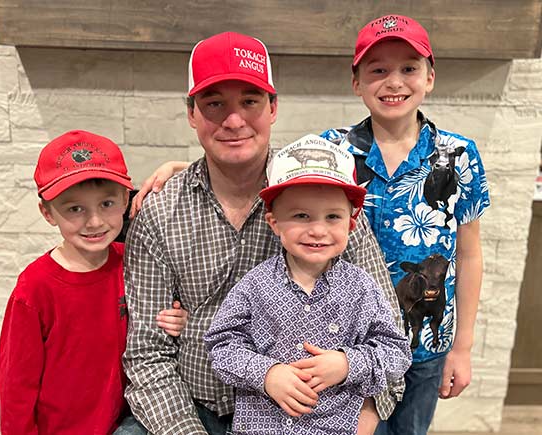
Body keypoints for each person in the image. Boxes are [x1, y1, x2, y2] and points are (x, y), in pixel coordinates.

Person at [121, 31, 404, 435]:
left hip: (313, 417)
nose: (233, 120)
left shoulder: (322, 202)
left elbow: (388, 329)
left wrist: (363, 417)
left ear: (273, 107)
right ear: (192, 113)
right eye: (214, 103)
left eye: (249, 101)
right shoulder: (160, 213)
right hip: (193, 405)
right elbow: (148, 355)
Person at [320, 14, 490, 435]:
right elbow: (265, 176)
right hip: (350, 345)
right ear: (357, 82)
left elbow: (469, 254)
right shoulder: (331, 152)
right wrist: (178, 166)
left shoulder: (459, 155)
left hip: (426, 346)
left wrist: (463, 348)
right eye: (378, 70)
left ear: (429, 77)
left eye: (408, 69)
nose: (393, 82)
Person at [204, 134, 412, 434]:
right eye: (301, 216)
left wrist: (347, 364)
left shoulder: (362, 288)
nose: (317, 230)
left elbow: (396, 352)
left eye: (332, 217)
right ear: (274, 222)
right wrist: (267, 374)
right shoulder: (254, 285)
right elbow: (221, 345)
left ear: (350, 224)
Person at [0, 130, 187, 435]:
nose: (95, 221)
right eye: (75, 209)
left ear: (126, 199)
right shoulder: (34, 289)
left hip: (129, 423)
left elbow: (159, 320)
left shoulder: (136, 260)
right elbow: (15, 386)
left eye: (107, 204)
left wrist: (177, 317)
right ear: (47, 212)